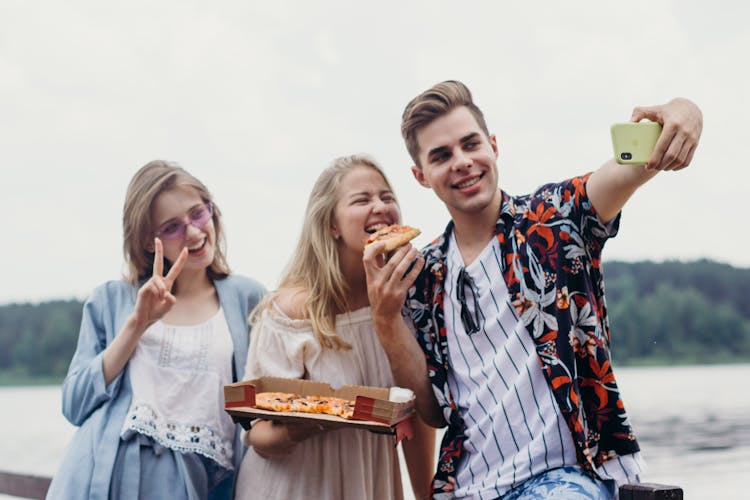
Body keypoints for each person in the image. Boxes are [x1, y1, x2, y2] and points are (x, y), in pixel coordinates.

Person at [364, 81, 703, 499]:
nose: (462, 162)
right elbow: (434, 413)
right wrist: (385, 319)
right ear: (421, 176)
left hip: (569, 477)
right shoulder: (425, 275)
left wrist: (685, 110)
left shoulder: (554, 218)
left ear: (493, 145)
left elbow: (636, 163)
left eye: (471, 144)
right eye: (441, 155)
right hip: (467, 487)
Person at [46, 160, 266, 500]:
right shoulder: (112, 299)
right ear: (149, 242)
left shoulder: (247, 297)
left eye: (197, 214)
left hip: (201, 482)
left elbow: (259, 408)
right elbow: (75, 405)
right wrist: (136, 325)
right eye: (172, 227)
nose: (193, 232)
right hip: (105, 477)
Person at [234, 154, 435, 500]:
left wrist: (426, 495)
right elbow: (257, 433)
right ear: (331, 225)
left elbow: (416, 416)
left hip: (371, 484)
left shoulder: (407, 301)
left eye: (387, 197)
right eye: (362, 199)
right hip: (294, 487)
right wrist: (308, 422)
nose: (380, 206)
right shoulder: (291, 311)